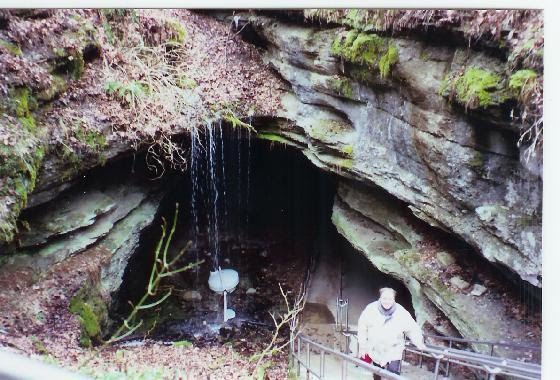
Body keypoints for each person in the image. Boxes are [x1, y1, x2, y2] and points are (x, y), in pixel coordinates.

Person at [357, 287, 427, 379]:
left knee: (393, 374)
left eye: (390, 299)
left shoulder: (400, 311)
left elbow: (412, 328)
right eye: (384, 298)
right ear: (380, 298)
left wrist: (418, 342)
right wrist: (362, 345)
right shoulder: (371, 309)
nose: (387, 301)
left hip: (394, 349)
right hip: (376, 348)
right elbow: (362, 327)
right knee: (377, 372)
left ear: (394, 299)